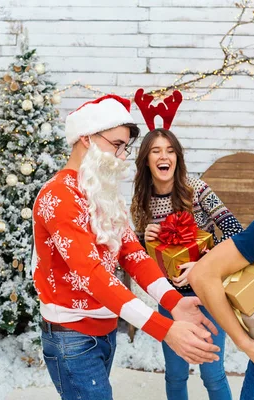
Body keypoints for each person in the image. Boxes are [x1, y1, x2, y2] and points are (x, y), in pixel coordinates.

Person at [31, 94, 221, 400]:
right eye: (116, 144)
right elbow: (92, 275)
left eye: (125, 148)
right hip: (73, 335)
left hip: (104, 328)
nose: (122, 156)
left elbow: (133, 254)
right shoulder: (59, 197)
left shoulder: (101, 193)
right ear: (86, 139)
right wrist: (164, 328)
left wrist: (173, 301)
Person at [131, 128, 243, 400]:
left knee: (212, 374)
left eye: (170, 151)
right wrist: (142, 237)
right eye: (156, 151)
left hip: (208, 294)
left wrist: (204, 266)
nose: (163, 156)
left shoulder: (197, 189)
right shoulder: (141, 201)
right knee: (175, 373)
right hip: (170, 300)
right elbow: (135, 256)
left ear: (178, 158)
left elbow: (235, 231)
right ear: (146, 159)